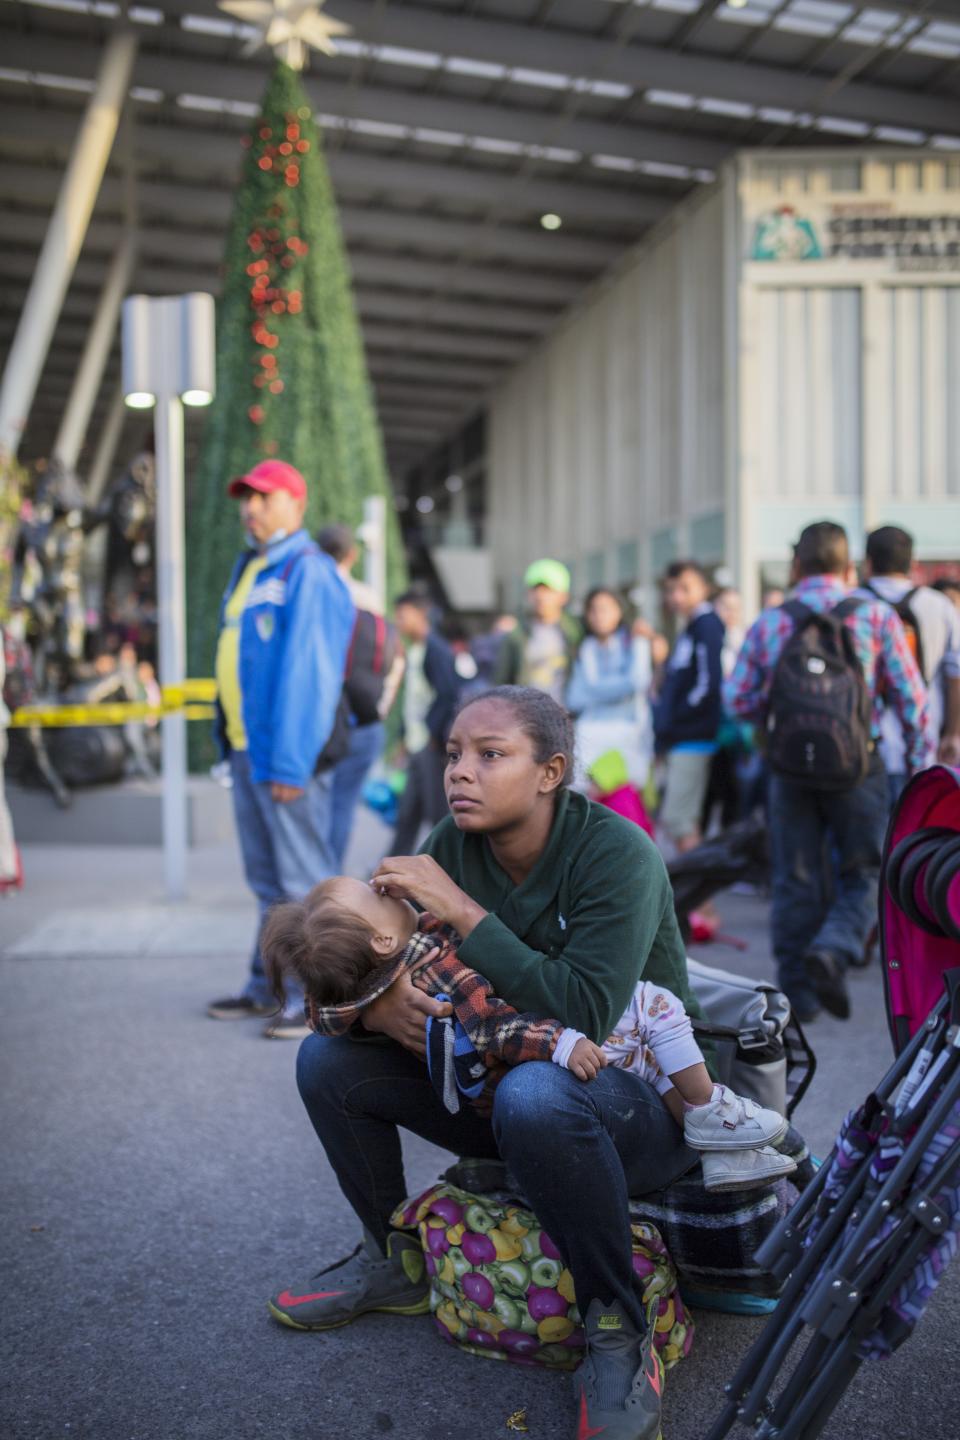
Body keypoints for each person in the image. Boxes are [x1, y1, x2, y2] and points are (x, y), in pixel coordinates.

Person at [271, 686, 710, 1440]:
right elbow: (367, 958)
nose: (459, 773)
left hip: (632, 1105)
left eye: (490, 755)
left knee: (539, 1092)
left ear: (551, 772)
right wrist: (379, 1006)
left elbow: (583, 1020)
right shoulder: (453, 845)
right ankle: (394, 1257)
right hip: (497, 1091)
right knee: (325, 1061)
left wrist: (466, 913)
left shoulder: (618, 855)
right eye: (453, 755)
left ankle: (615, 1328)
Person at [264, 874, 793, 1192]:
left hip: (509, 1084)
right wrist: (559, 1043)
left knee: (654, 1065)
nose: (381, 884)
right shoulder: (432, 958)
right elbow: (493, 1022)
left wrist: (370, 1004)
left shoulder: (361, 983)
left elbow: (325, 1012)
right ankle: (711, 1112)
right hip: (547, 1051)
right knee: (655, 1003)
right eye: (372, 892)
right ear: (382, 939)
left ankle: (722, 1156)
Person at [725, 522, 928, 1024]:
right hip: (859, 764)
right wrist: (920, 767)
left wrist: (766, 737)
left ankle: (798, 995)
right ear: (850, 567)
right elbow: (913, 701)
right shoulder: (876, 617)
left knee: (795, 875)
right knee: (864, 869)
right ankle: (836, 946)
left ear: (797, 568)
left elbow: (738, 700)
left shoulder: (773, 621)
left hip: (789, 768)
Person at [206, 460, 355, 1039]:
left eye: (264, 498)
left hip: (280, 755)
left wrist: (292, 760)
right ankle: (266, 987)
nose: (252, 508)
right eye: (247, 498)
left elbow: (309, 675)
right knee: (269, 882)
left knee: (302, 880)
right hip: (249, 751)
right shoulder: (257, 565)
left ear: (297, 502)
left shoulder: (306, 570)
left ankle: (319, 1002)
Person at [316, 523, 405, 867]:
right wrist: (378, 710)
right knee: (343, 804)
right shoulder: (367, 597)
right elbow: (392, 661)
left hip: (323, 721)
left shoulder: (313, 592)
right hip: (364, 720)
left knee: (316, 804)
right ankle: (328, 878)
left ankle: (314, 880)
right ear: (351, 555)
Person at [860, 526, 960, 794]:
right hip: (926, 747)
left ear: (867, 563)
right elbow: (956, 673)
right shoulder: (939, 606)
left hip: (862, 749)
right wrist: (953, 733)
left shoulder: (852, 606)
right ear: (913, 564)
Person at [654, 560, 725, 853]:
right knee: (682, 820)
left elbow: (709, 684)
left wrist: (677, 719)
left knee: (679, 819)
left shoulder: (706, 625)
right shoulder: (691, 627)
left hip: (693, 737)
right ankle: (698, 899)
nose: (677, 597)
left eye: (685, 588)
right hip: (682, 737)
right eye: (672, 590)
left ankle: (698, 899)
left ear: (704, 589)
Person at [391, 592, 460, 854]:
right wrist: (402, 739)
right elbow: (413, 701)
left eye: (402, 616)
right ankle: (392, 867)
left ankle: (446, 869)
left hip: (430, 746)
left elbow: (448, 694)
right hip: (416, 743)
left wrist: (433, 735)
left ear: (421, 614)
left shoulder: (437, 650)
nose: (398, 622)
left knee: (437, 813)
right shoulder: (416, 650)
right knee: (408, 811)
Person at [567, 586, 653, 789]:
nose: (599, 616)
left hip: (630, 732)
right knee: (585, 792)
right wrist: (621, 689)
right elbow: (575, 698)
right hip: (591, 734)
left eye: (605, 609)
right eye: (593, 610)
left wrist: (595, 689)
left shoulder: (635, 641)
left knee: (626, 796)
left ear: (619, 611)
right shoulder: (584, 648)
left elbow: (638, 681)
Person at [494, 559, 581, 700]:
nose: (540, 596)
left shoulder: (576, 629)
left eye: (548, 590)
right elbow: (500, 681)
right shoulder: (515, 635)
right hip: (526, 714)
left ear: (563, 596)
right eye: (535, 590)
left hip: (567, 713)